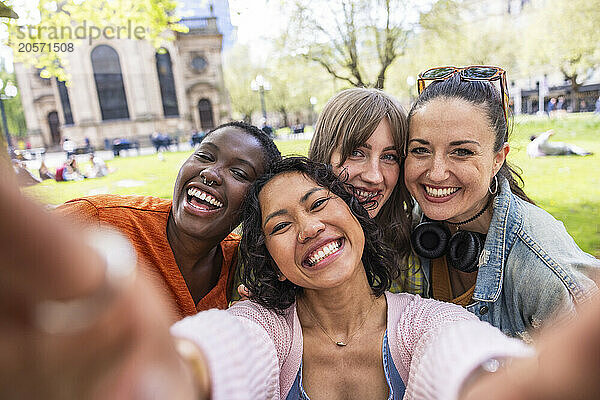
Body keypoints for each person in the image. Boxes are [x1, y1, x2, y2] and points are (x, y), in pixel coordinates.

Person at [2, 156, 600, 399]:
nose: (309, 227)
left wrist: (500, 382)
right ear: (270, 256)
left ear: (356, 218)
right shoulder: (261, 328)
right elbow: (219, 354)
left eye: (319, 204)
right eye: (281, 223)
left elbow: (464, 361)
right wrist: (168, 373)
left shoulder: (432, 322)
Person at [404, 66, 599, 338]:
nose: (436, 173)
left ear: (498, 159)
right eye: (420, 150)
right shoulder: (409, 225)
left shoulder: (543, 270)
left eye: (461, 152)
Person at [56, 121, 281, 322]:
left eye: (239, 173)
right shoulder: (99, 219)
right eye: (204, 156)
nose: (210, 173)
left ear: (256, 203)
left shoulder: (243, 264)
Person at [307, 88, 418, 292]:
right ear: (324, 154)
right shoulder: (286, 244)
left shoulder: (416, 251)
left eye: (389, 157)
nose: (374, 176)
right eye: (357, 153)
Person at [527, 129, 593, 157]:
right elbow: (551, 132)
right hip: (558, 148)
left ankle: (578, 152)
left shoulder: (532, 145)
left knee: (567, 149)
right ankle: (584, 152)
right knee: (569, 146)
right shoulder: (540, 139)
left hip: (550, 152)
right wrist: (545, 133)